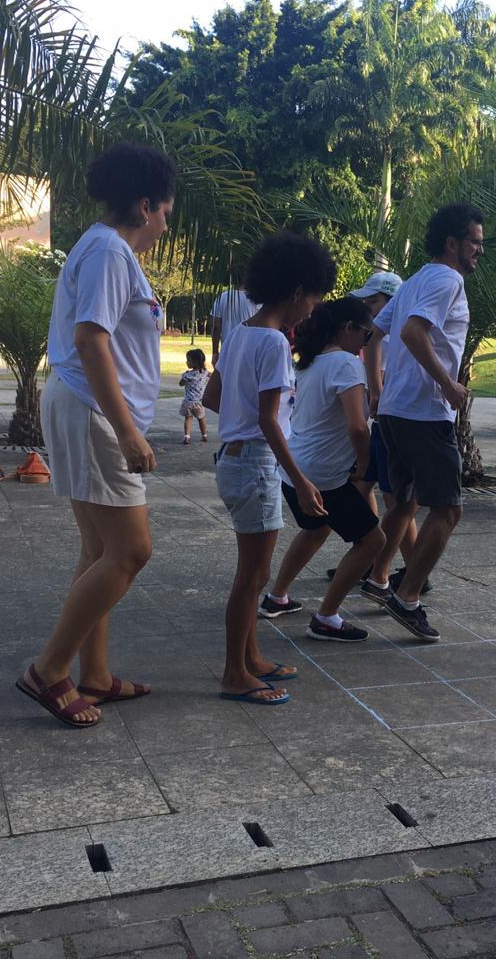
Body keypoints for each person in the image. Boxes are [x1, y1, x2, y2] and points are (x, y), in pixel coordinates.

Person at [15, 142, 174, 728]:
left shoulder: (103, 248)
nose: (165, 226)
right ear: (145, 205)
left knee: (100, 550)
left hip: (85, 407)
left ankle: (96, 675)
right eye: (165, 213)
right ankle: (48, 670)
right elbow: (91, 340)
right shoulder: (109, 251)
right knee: (131, 551)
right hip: (94, 412)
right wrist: (128, 431)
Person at [202, 230, 338, 704]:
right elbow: (267, 419)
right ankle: (234, 673)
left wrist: (240, 421)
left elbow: (212, 397)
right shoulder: (276, 343)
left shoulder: (241, 332)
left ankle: (252, 658)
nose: (314, 309)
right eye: (315, 297)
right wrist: (300, 480)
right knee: (253, 577)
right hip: (256, 463)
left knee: (254, 573)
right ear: (297, 291)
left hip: (233, 459)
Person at [367, 203, 483, 641]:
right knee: (448, 511)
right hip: (424, 411)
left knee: (405, 504)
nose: (479, 250)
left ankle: (377, 577)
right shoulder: (448, 280)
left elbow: (374, 334)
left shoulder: (414, 280)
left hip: (396, 410)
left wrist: (377, 388)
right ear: (452, 243)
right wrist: (447, 384)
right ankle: (408, 597)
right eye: (475, 242)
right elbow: (413, 333)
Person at [265, 298, 386, 643]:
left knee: (316, 529)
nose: (366, 343)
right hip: (323, 474)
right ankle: (326, 617)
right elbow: (358, 426)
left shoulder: (311, 361)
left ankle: (277, 596)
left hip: (296, 469)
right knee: (373, 541)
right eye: (366, 335)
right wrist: (365, 463)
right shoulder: (346, 364)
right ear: (348, 328)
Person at [326, 270, 424, 590]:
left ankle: (403, 569)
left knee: (397, 502)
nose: (367, 309)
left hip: (390, 425)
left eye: (373, 302)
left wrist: (374, 395)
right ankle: (386, 562)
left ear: (392, 302)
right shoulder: (382, 335)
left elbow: (377, 383)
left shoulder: (389, 338)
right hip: (384, 424)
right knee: (379, 493)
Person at [210, 285, 259, 367]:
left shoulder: (222, 297)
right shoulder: (256, 300)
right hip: (249, 351)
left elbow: (216, 327)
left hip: (227, 351)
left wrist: (215, 352)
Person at [179, 348, 210, 444]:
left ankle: (187, 437)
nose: (186, 362)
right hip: (199, 402)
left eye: (188, 360)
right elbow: (212, 376)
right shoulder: (205, 373)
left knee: (188, 418)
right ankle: (204, 435)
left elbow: (180, 384)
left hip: (188, 402)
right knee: (201, 418)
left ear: (195, 362)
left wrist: (184, 379)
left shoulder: (187, 375)